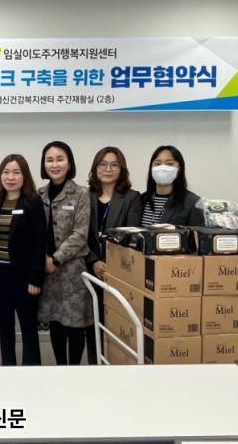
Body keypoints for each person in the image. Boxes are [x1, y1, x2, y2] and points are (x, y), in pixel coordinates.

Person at [0, 154, 45, 366]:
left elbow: (40, 242)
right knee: (5, 327)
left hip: (25, 277)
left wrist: (36, 279)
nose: (10, 177)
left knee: (28, 329)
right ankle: (7, 368)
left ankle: (31, 370)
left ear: (24, 175)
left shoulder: (33, 202)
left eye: (16, 172)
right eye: (6, 172)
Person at [85, 146, 142, 364]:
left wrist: (110, 265)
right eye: (103, 164)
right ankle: (94, 365)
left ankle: (117, 367)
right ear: (95, 168)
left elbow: (131, 236)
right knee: (92, 324)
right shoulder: (86, 196)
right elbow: (80, 234)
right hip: (89, 271)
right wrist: (94, 261)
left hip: (118, 273)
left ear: (121, 169)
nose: (108, 169)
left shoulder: (132, 198)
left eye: (114, 165)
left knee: (118, 324)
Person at [37, 141, 91, 366]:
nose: (55, 164)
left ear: (69, 163)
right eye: (49, 160)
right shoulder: (39, 194)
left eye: (60, 159)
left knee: (75, 323)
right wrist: (43, 259)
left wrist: (57, 259)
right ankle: (60, 367)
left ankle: (74, 369)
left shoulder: (81, 193)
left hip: (72, 270)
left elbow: (80, 233)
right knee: (55, 321)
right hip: (46, 269)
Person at [140, 145, 205, 226]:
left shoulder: (192, 202)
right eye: (157, 163)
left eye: (170, 164)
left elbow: (196, 233)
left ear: (179, 169)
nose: (162, 168)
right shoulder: (141, 199)